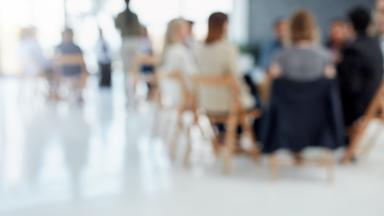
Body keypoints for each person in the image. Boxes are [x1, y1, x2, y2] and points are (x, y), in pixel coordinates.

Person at [196, 12, 254, 114]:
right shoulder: (228, 48)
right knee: (255, 100)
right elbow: (236, 77)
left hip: (205, 102)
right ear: (224, 26)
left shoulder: (198, 48)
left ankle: (222, 128)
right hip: (228, 104)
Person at [337, 7, 384, 128]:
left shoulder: (353, 49)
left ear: (351, 26)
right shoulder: (375, 45)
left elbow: (351, 86)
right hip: (375, 107)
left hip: (359, 113)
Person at [269, 10, 335, 81]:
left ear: (291, 30)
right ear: (313, 29)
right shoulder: (325, 57)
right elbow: (330, 86)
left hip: (290, 91)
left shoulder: (280, 57)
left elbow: (274, 84)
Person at [159, 18, 197, 106]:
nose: (188, 30)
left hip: (181, 87)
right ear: (178, 31)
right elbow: (178, 73)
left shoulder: (175, 49)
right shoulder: (177, 50)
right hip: (183, 88)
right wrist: (187, 91)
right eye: (185, 28)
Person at [115, 0, 142, 100]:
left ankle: (128, 94)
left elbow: (117, 26)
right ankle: (133, 93)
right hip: (134, 42)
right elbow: (139, 29)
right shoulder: (134, 15)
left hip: (126, 41)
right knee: (134, 70)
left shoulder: (121, 15)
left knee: (127, 71)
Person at [55, 28, 88, 102]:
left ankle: (58, 93)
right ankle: (57, 93)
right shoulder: (59, 48)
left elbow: (83, 64)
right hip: (66, 74)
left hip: (74, 75)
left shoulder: (76, 48)